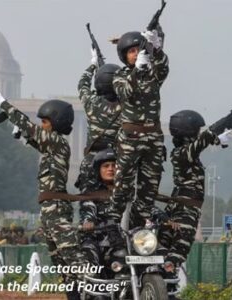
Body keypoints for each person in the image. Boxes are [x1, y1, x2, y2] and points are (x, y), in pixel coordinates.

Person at [0, 90, 89, 299]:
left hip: (56, 209)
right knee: (61, 264)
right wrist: (24, 137)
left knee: (73, 258)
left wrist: (4, 104)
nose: (42, 126)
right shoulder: (52, 147)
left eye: (45, 123)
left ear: (56, 124)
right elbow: (39, 143)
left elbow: (32, 130)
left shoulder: (58, 141)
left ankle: (100, 291)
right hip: (49, 212)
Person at [108, 28, 169, 225]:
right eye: (131, 51)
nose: (135, 54)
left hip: (153, 137)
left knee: (150, 185)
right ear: (125, 56)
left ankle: (142, 221)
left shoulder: (153, 75)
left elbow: (164, 68)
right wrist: (137, 71)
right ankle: (113, 223)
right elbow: (125, 92)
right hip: (130, 137)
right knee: (123, 183)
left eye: (138, 51)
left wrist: (157, 49)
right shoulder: (120, 75)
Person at [159, 110, 224, 272]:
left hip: (182, 205)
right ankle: (165, 275)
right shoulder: (182, 153)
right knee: (182, 243)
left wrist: (216, 137)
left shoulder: (184, 153)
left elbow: (199, 144)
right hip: (186, 207)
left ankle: (160, 279)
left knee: (167, 242)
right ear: (190, 133)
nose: (199, 133)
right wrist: (213, 132)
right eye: (197, 131)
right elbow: (199, 144)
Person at [74, 49, 121, 193]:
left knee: (89, 200)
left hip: (92, 161)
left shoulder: (92, 103)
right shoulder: (127, 107)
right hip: (116, 163)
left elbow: (82, 85)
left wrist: (93, 65)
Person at [79, 148, 117, 268]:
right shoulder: (91, 191)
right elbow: (88, 206)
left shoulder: (128, 191)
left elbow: (143, 206)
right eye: (106, 166)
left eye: (114, 165)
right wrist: (88, 221)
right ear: (98, 170)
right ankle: (91, 284)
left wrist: (164, 219)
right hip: (99, 237)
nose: (111, 169)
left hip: (126, 236)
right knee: (91, 254)